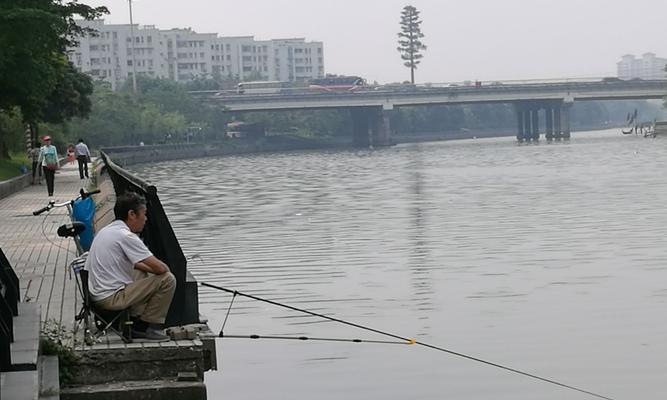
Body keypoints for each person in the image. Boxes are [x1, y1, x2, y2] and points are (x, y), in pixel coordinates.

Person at [84, 192, 176, 341]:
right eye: (144, 214)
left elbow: (138, 264)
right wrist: (159, 269)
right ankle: (142, 328)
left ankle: (133, 319)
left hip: (96, 293)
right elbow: (162, 269)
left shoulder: (107, 230)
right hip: (110, 298)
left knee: (141, 270)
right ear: (132, 214)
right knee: (168, 280)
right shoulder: (126, 236)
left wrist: (148, 269)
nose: (145, 219)